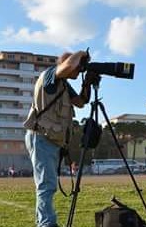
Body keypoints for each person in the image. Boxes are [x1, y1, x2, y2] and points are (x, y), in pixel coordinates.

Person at [23, 51, 98, 227]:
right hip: (41, 137)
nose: (79, 71)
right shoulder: (50, 75)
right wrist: (81, 54)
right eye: (79, 68)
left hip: (52, 140)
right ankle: (47, 224)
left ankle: (44, 222)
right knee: (46, 185)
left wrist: (87, 83)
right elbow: (69, 66)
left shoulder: (63, 84)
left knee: (46, 184)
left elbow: (80, 102)